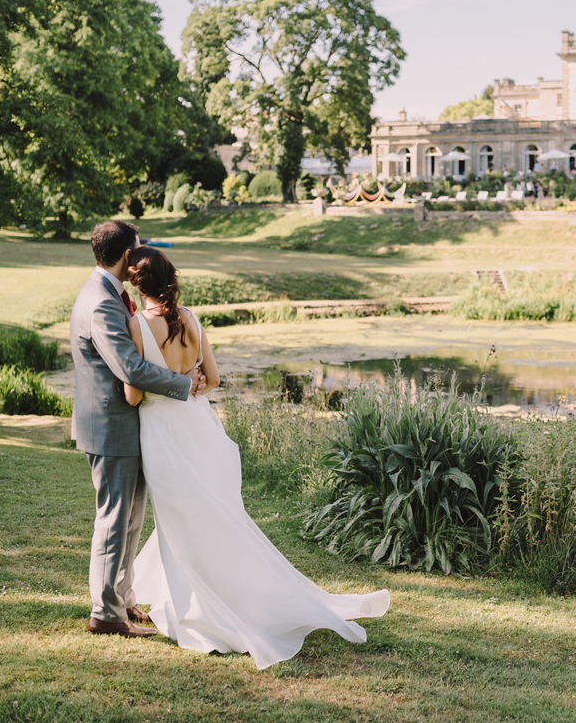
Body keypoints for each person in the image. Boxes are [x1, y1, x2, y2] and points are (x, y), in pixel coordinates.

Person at [122, 247, 390, 669]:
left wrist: (156, 383)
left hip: (164, 435)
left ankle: (207, 609)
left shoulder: (137, 324)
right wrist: (187, 385)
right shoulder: (190, 318)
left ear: (137, 285)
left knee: (180, 519)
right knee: (209, 516)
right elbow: (212, 380)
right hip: (200, 427)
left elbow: (133, 393)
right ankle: (206, 591)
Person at [70, 221, 205, 639]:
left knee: (130, 519)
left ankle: (123, 599)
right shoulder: (102, 303)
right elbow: (129, 367)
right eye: (139, 249)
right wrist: (184, 383)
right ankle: (106, 615)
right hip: (111, 427)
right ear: (128, 255)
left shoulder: (110, 294)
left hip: (126, 425)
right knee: (114, 521)